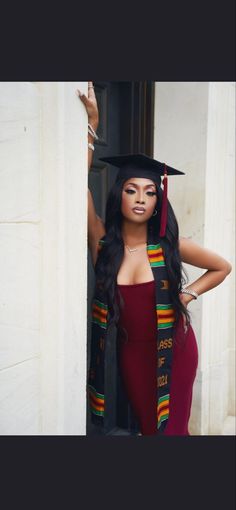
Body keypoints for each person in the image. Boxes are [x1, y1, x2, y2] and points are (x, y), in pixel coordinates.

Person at [77, 82, 232, 436]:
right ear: (119, 196)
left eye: (150, 192)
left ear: (158, 203)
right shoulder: (102, 243)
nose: (140, 199)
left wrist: (186, 294)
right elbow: (79, 188)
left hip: (174, 347)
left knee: (172, 430)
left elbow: (222, 266)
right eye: (131, 190)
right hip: (133, 354)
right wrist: (92, 128)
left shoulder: (169, 245)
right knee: (150, 429)